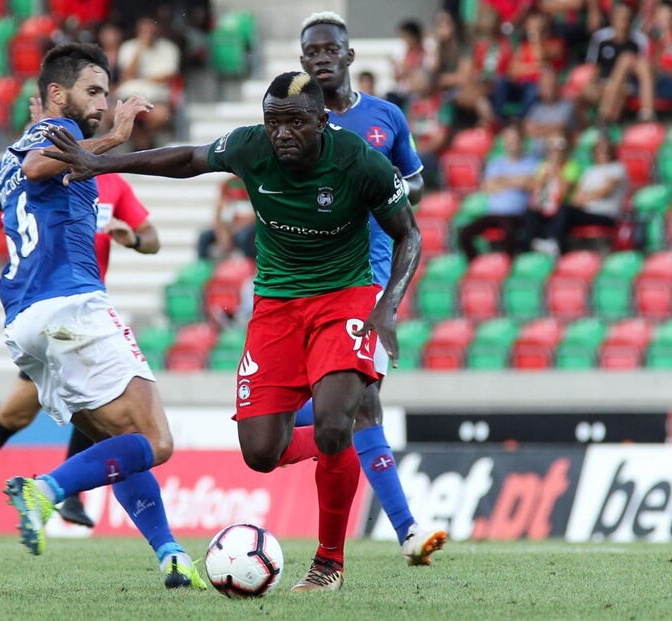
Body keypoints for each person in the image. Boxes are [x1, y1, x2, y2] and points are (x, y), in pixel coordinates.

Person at [41, 70, 422, 592]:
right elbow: (188, 158)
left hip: (344, 299)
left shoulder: (360, 161)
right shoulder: (251, 146)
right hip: (275, 307)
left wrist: (388, 307)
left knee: (335, 422)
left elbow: (409, 235)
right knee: (260, 454)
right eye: (273, 122)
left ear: (322, 121)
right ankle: (339, 444)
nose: (282, 133)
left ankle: (328, 562)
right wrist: (103, 162)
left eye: (295, 123)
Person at [0, 43, 205, 590]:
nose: (103, 102)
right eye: (93, 91)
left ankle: (170, 554)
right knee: (157, 442)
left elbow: (28, 172)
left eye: (106, 92)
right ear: (57, 94)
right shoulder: (62, 133)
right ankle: (46, 491)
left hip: (26, 323)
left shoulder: (8, 157)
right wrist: (115, 138)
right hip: (71, 305)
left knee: (117, 446)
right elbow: (41, 165)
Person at [0, 171, 161, 543]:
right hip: (47, 308)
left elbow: (153, 240)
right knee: (99, 399)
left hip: (84, 312)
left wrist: (133, 239)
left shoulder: (113, 183)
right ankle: (62, 492)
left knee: (16, 413)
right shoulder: (41, 172)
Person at [296, 11, 445, 568]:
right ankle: (298, 433)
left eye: (330, 49)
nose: (322, 58)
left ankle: (406, 530)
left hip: (368, 276)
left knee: (365, 401)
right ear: (303, 61)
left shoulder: (386, 117)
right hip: (309, 276)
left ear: (349, 55)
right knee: (323, 416)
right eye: (312, 52)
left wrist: (385, 187)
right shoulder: (297, 120)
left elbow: (417, 181)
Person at [458, 123, 540, 260]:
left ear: (522, 140)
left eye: (515, 140)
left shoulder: (532, 162)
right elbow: (488, 186)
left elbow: (532, 184)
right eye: (509, 140)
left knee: (509, 232)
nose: (512, 144)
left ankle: (507, 264)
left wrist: (502, 181)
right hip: (493, 213)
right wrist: (518, 181)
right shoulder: (495, 163)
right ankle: (475, 263)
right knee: (465, 233)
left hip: (516, 214)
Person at [543, 134, 627, 252]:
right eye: (599, 151)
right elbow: (576, 198)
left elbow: (605, 192)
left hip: (607, 214)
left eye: (606, 151)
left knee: (566, 211)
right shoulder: (589, 172)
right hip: (587, 212)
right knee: (558, 211)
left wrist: (585, 197)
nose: (603, 154)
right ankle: (555, 246)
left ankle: (554, 244)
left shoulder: (617, 169)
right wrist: (590, 196)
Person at [116, 16, 180, 149]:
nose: (148, 34)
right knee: (113, 116)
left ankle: (145, 141)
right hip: (129, 96)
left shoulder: (169, 48)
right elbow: (127, 73)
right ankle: (139, 141)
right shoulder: (128, 47)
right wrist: (139, 49)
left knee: (161, 116)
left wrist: (142, 78)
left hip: (156, 98)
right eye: (144, 30)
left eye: (150, 30)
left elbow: (168, 76)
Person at [584, 2, 655, 122]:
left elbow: (644, 68)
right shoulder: (600, 38)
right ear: (613, 19)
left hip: (628, 84)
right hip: (604, 81)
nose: (624, 22)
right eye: (621, 18)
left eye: (627, 18)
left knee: (625, 62)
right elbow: (594, 66)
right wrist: (593, 82)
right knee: (586, 92)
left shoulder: (639, 40)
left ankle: (605, 118)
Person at [196, 176, 256, 260]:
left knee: (244, 237)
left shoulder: (253, 185)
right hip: (230, 228)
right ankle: (203, 264)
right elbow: (218, 216)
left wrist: (232, 231)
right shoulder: (227, 187)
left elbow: (254, 217)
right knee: (205, 236)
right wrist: (222, 234)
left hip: (246, 227)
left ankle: (250, 263)